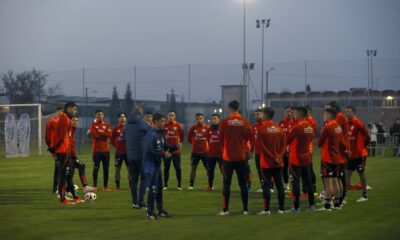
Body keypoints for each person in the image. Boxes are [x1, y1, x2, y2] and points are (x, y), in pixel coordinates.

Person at [218, 100, 252, 216]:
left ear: (230, 108)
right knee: (243, 184)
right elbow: (248, 138)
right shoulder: (245, 122)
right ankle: (245, 209)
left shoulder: (225, 122)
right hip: (241, 157)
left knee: (226, 184)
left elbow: (221, 139)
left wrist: (226, 148)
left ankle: (225, 210)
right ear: (238, 108)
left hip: (228, 158)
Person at [143, 113, 178, 220]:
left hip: (157, 166)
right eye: (162, 121)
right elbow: (149, 151)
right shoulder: (151, 134)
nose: (164, 123)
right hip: (150, 165)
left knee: (159, 188)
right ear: (156, 122)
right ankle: (149, 212)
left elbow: (166, 146)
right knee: (153, 188)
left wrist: (175, 146)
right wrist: (163, 154)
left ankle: (160, 210)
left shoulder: (160, 134)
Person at [48, 102, 82, 204]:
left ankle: (74, 197)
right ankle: (63, 198)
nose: (75, 111)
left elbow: (67, 136)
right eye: (74, 109)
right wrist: (54, 148)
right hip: (63, 151)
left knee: (68, 175)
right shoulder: (64, 118)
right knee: (64, 175)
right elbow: (62, 136)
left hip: (66, 151)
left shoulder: (67, 119)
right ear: (69, 108)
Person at [256, 108, 286, 215]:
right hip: (278, 162)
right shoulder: (279, 128)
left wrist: (272, 157)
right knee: (280, 185)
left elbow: (261, 146)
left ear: (265, 115)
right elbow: (284, 145)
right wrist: (279, 156)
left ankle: (266, 209)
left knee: (267, 186)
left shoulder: (262, 128)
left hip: (266, 163)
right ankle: (281, 209)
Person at [286, 106, 315, 212]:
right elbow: (311, 139)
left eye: (295, 113)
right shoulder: (309, 126)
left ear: (299, 114)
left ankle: (297, 207)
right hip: (306, 158)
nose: (293, 115)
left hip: (296, 159)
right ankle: (312, 206)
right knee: (308, 182)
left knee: (295, 182)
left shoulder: (297, 127)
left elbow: (287, 140)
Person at [317, 108, 347, 211]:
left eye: (324, 114)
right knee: (336, 181)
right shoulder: (338, 126)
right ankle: (337, 204)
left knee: (328, 183)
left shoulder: (328, 127)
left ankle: (327, 206)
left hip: (327, 158)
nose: (323, 116)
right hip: (336, 157)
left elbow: (319, 143)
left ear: (329, 115)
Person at [124, 106, 152, 209]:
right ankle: (141, 201)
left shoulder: (127, 124)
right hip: (142, 155)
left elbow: (124, 137)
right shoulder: (142, 122)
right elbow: (152, 131)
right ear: (141, 113)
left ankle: (134, 202)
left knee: (134, 180)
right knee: (144, 178)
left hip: (130, 156)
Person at [345, 106, 371, 202]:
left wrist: (362, 147)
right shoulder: (346, 123)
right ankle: (345, 196)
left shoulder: (358, 123)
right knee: (347, 174)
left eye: (348, 112)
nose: (346, 113)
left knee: (361, 174)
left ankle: (364, 195)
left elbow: (367, 137)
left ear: (353, 113)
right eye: (346, 112)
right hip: (349, 155)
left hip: (359, 155)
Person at [70, 116, 95, 193]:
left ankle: (84, 186)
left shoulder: (74, 130)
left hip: (72, 156)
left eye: (77, 120)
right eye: (73, 120)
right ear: (70, 121)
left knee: (80, 166)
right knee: (70, 172)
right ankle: (66, 190)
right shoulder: (69, 130)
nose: (75, 122)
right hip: (67, 156)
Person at [90, 109, 113, 191]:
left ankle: (105, 186)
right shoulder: (93, 125)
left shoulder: (107, 125)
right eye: (98, 114)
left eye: (101, 114)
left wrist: (99, 131)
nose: (100, 116)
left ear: (103, 116)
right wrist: (103, 133)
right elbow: (94, 135)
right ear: (96, 115)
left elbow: (110, 134)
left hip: (106, 151)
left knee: (106, 169)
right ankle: (95, 186)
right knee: (96, 168)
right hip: (96, 151)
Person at [163, 111, 184, 190]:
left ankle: (179, 185)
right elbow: (162, 137)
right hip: (167, 151)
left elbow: (181, 137)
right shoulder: (164, 125)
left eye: (172, 115)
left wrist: (178, 144)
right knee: (166, 168)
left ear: (175, 116)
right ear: (167, 116)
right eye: (169, 115)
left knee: (178, 168)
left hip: (176, 151)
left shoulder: (178, 125)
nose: (171, 117)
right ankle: (165, 185)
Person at [187, 113, 209, 190]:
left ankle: (210, 184)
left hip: (205, 152)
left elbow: (210, 139)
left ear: (203, 119)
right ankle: (191, 185)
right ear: (195, 119)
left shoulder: (207, 128)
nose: (199, 120)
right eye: (198, 118)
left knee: (208, 169)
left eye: (200, 118)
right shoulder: (192, 128)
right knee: (193, 169)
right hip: (195, 152)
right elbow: (189, 139)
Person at [45, 106, 64, 195]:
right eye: (60, 111)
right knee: (58, 168)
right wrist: (51, 147)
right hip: (56, 148)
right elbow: (47, 137)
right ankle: (56, 188)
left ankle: (62, 188)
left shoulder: (65, 121)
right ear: (56, 112)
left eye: (62, 112)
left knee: (64, 168)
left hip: (64, 148)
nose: (61, 113)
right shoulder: (52, 121)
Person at [111, 112, 129, 191]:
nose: (122, 118)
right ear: (118, 119)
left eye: (124, 116)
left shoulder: (129, 128)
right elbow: (112, 140)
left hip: (128, 153)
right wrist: (117, 146)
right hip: (118, 153)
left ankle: (131, 186)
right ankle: (117, 186)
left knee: (130, 170)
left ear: (126, 118)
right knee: (117, 169)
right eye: (121, 117)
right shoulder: (115, 128)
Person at [278, 106, 294, 192]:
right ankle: (286, 184)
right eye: (287, 111)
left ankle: (294, 185)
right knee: (283, 168)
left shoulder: (294, 123)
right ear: (284, 112)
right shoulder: (281, 123)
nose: (289, 113)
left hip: (292, 150)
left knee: (292, 169)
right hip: (283, 150)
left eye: (290, 112)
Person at [206, 113, 223, 191]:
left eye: (215, 118)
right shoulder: (208, 130)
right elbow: (207, 140)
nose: (213, 120)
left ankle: (225, 186)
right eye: (212, 119)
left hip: (221, 154)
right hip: (211, 154)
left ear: (219, 120)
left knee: (223, 171)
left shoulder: (222, 129)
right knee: (210, 171)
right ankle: (210, 186)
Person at [305, 105, 317, 197]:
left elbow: (310, 135)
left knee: (309, 168)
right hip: (303, 148)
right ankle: (306, 190)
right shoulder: (303, 121)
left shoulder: (311, 121)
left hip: (308, 148)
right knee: (304, 170)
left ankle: (313, 188)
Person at [251, 108, 265, 193]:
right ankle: (263, 186)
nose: (256, 116)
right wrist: (251, 151)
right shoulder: (254, 127)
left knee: (267, 170)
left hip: (266, 153)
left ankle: (270, 186)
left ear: (263, 115)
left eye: (258, 114)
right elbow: (253, 140)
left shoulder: (266, 125)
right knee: (259, 170)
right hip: (257, 153)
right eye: (255, 114)